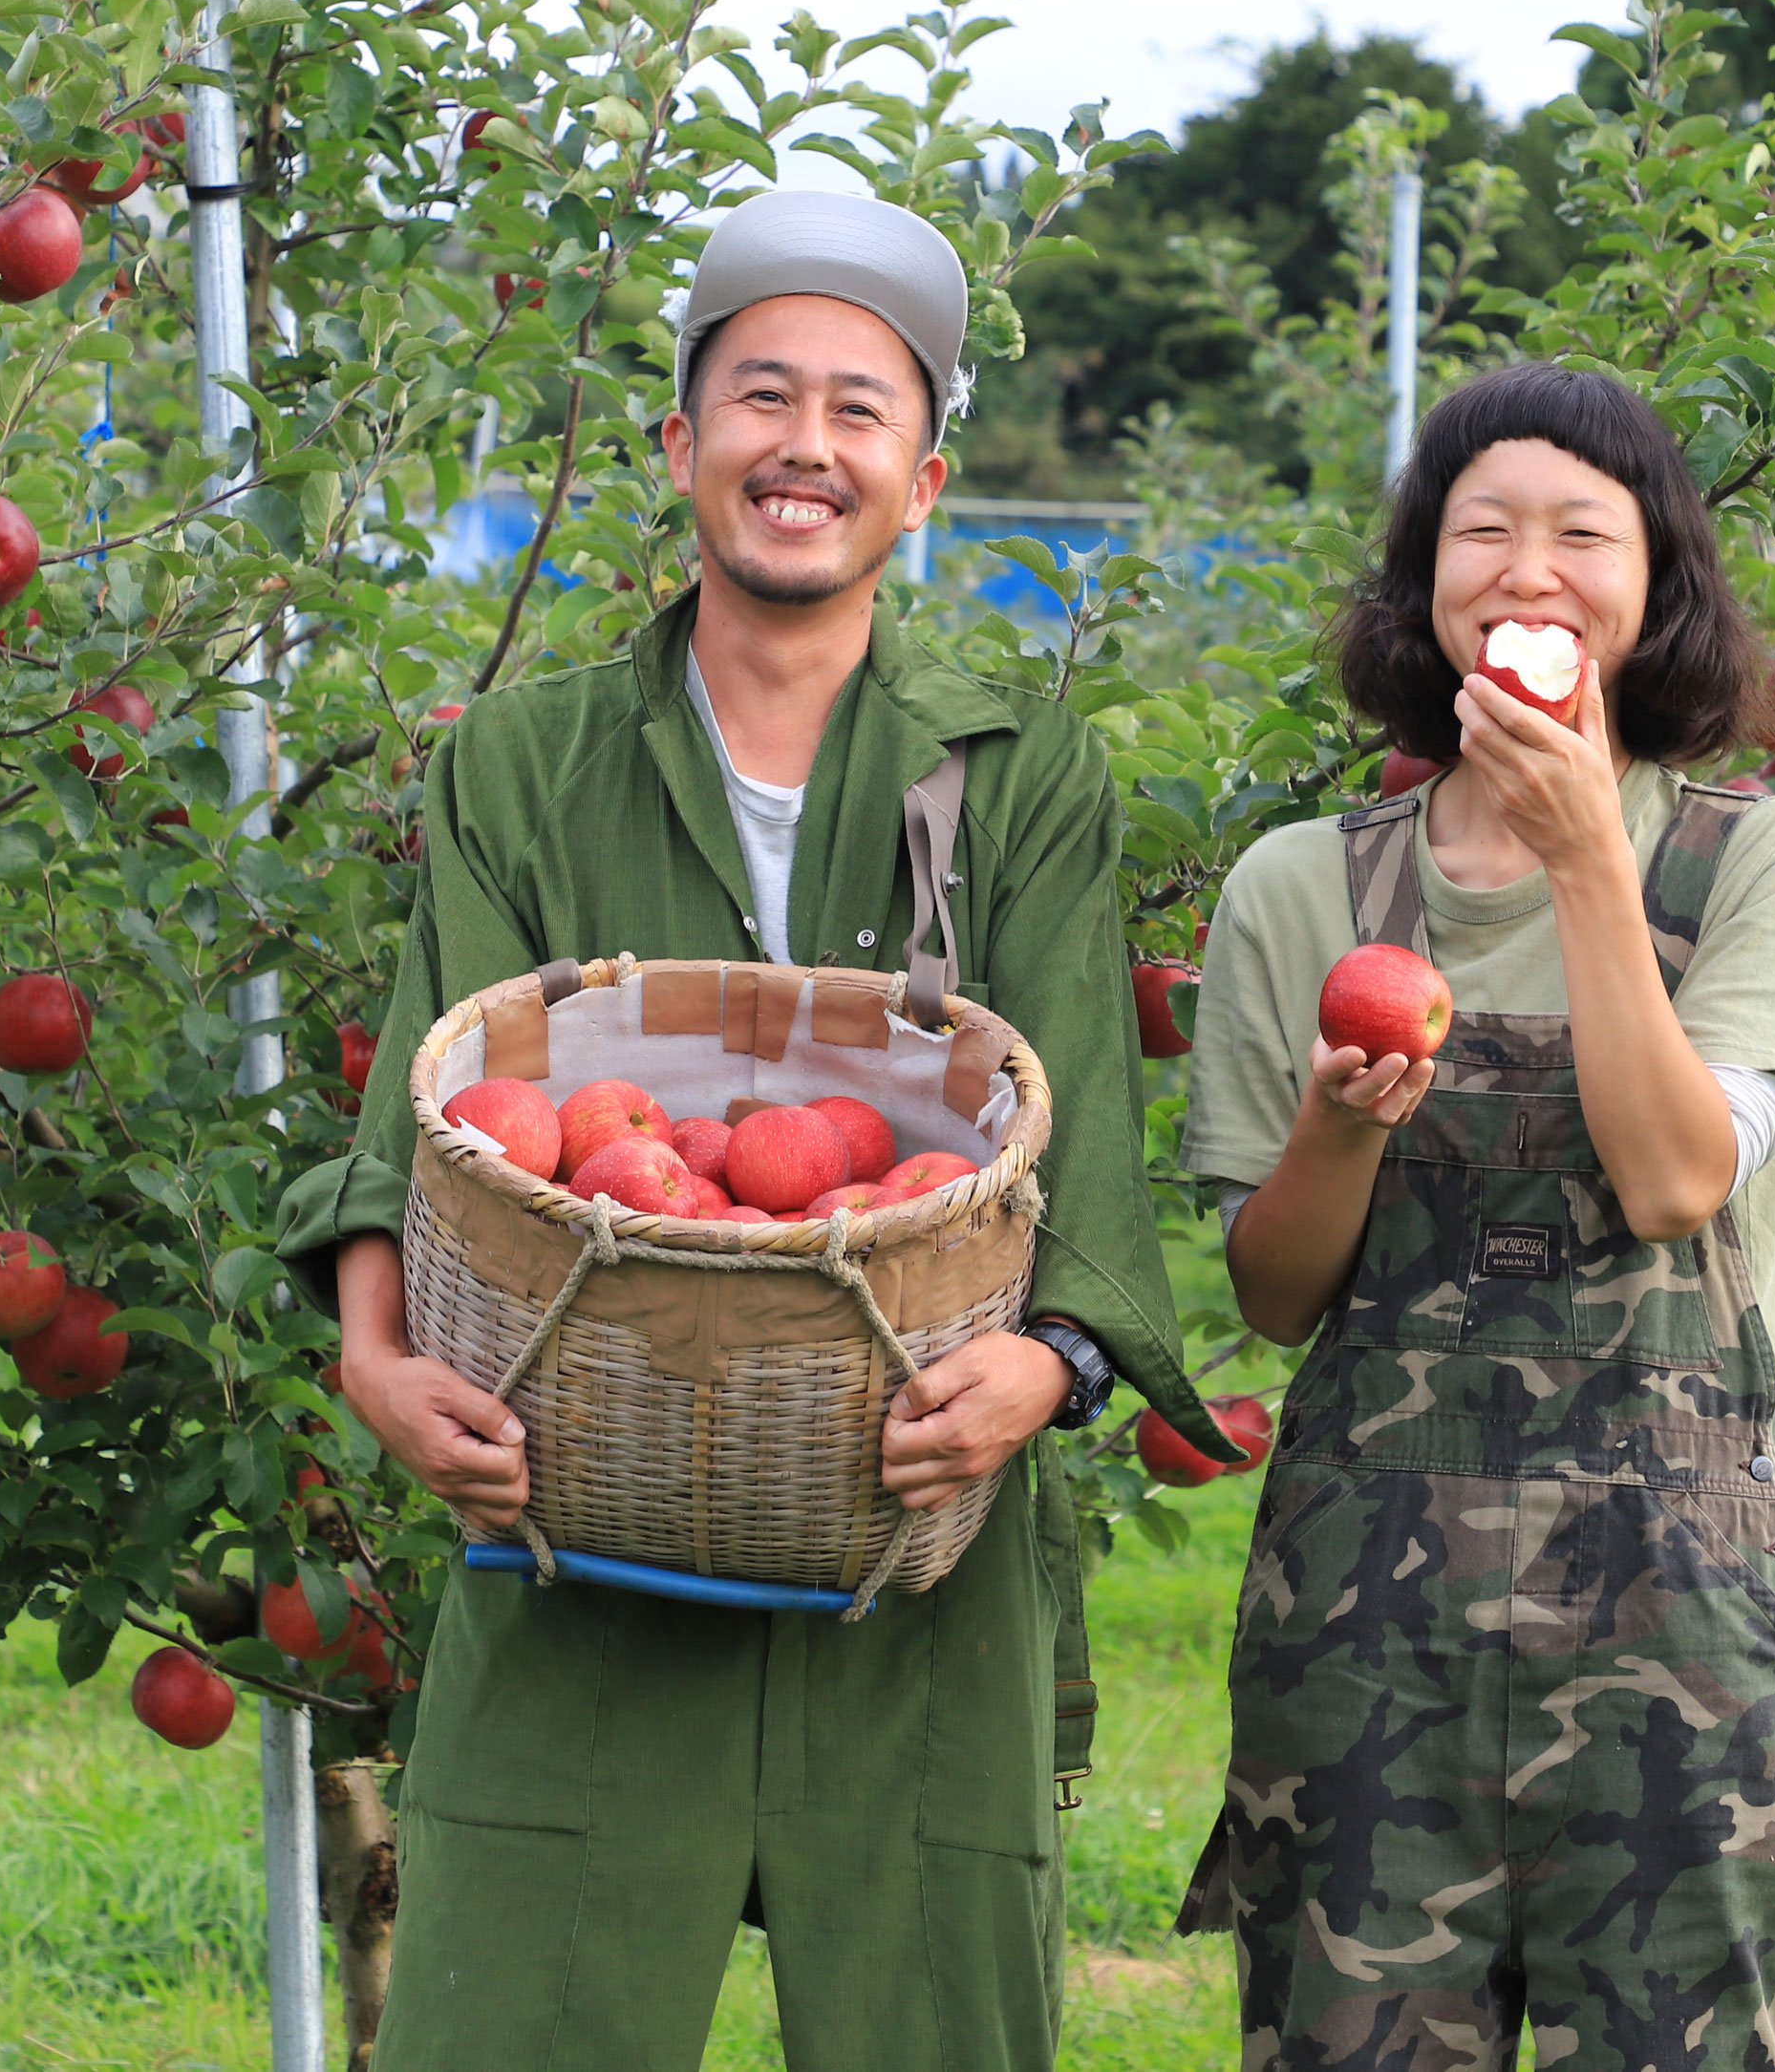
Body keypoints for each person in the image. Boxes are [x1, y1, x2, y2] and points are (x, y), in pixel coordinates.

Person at [280, 188, 1225, 2072]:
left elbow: (1077, 1148)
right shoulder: (520, 762)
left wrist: (1043, 1368)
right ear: (679, 443)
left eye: (857, 410)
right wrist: (374, 1357)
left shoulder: (1011, 773)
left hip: (906, 1567)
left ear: (924, 475)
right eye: (761, 396)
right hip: (573, 1557)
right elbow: (433, 1102)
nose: (804, 446)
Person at [1172, 360, 1775, 2070]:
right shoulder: (1302, 886)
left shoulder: (1763, 867)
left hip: (1676, 1627)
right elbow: (1274, 1298)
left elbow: (1675, 1178)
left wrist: (1582, 860)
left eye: (1583, 531)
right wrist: (1338, 1132)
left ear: (1658, 590)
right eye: (1482, 529)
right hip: (1366, 1633)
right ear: (1427, 585)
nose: (1529, 567)